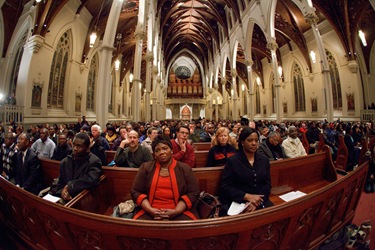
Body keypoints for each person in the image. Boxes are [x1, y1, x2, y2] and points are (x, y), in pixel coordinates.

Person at [131, 135, 200, 220]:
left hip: (179, 210)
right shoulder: (146, 168)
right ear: (154, 154)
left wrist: (176, 211)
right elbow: (135, 191)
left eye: (165, 148)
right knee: (139, 229)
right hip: (150, 210)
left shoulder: (184, 168)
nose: (161, 152)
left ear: (171, 150)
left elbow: (193, 192)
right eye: (157, 150)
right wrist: (150, 210)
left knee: (189, 229)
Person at [219, 127, 273, 216]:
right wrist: (247, 196)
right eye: (250, 140)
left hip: (260, 201)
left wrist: (256, 202)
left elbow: (267, 184)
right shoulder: (233, 161)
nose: (254, 143)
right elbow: (226, 187)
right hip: (239, 202)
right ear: (242, 142)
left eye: (256, 140)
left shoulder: (264, 160)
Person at [55, 132, 102, 201]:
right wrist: (62, 192)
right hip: (64, 198)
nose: (75, 148)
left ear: (87, 148)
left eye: (79, 146)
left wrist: (69, 186)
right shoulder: (65, 162)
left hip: (83, 198)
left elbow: (91, 180)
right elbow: (61, 182)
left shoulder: (94, 161)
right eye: (74, 144)